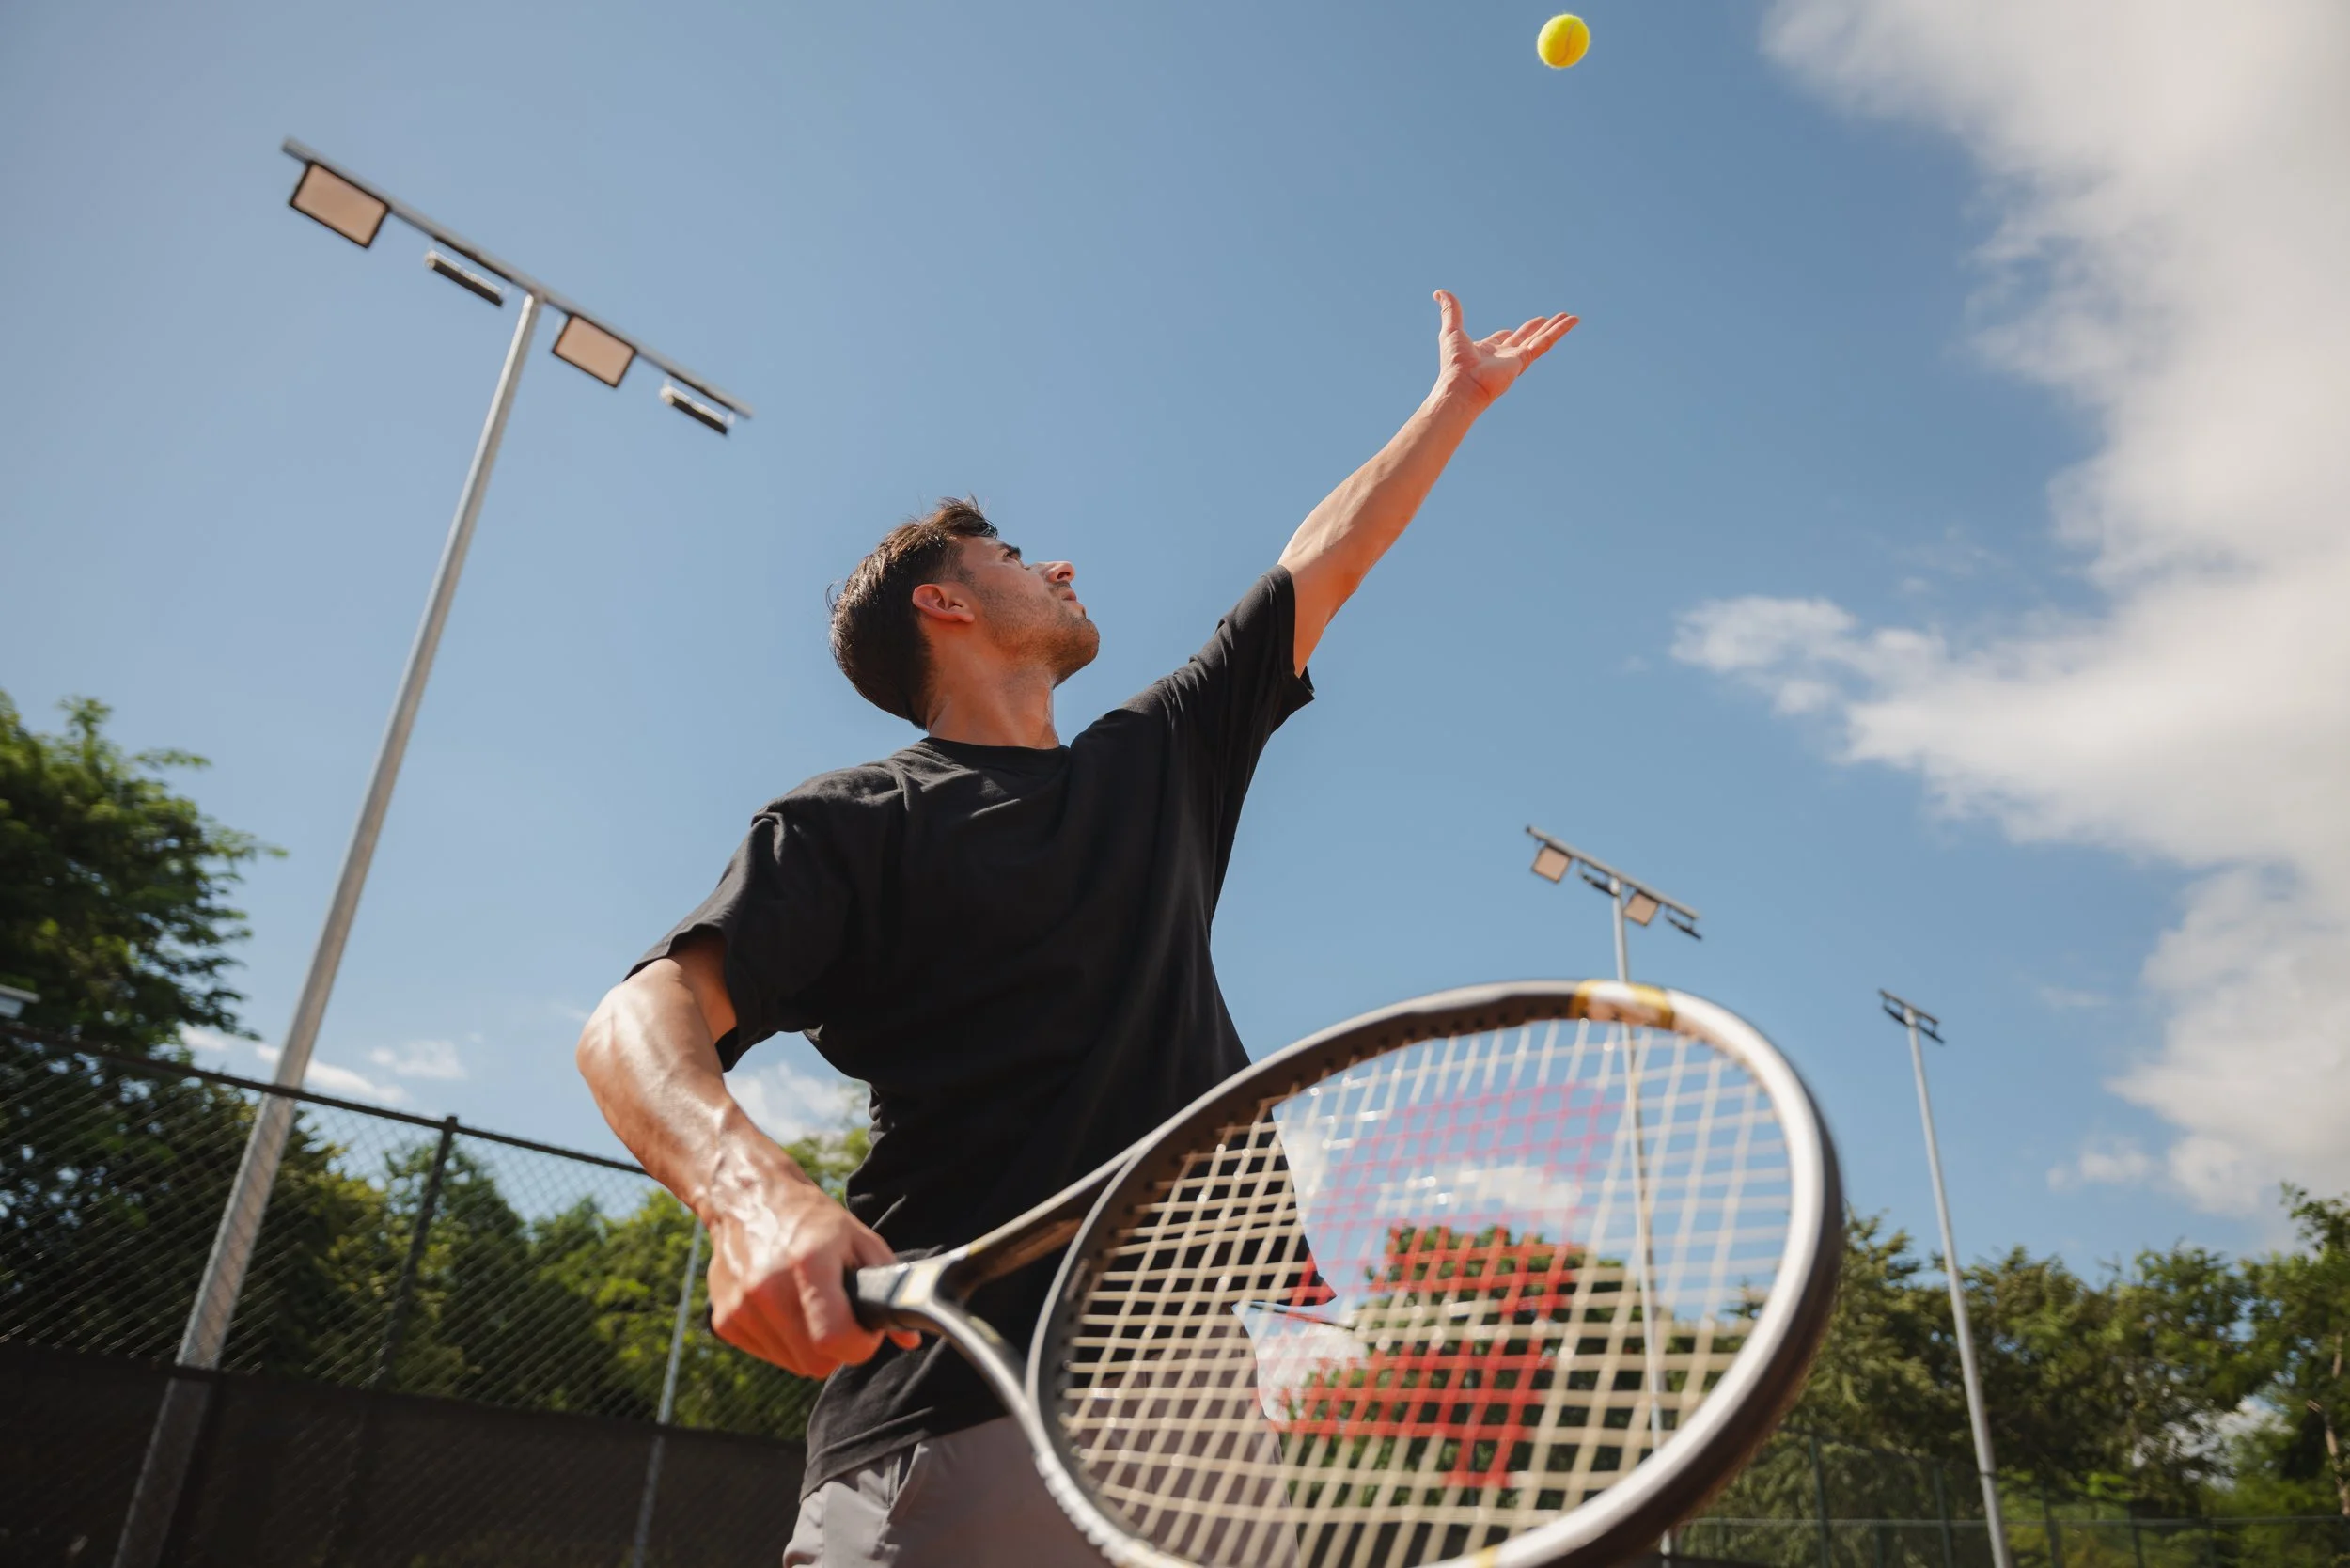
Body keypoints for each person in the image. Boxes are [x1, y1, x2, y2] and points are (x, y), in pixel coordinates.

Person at [574, 290, 1576, 1567]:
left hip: (1199, 1413)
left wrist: (1452, 405)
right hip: (963, 1402)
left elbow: (1325, 562)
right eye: (1016, 558)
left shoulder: (1152, 761)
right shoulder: (852, 821)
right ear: (942, 604)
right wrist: (749, 1198)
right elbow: (634, 1024)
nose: (1060, 568)